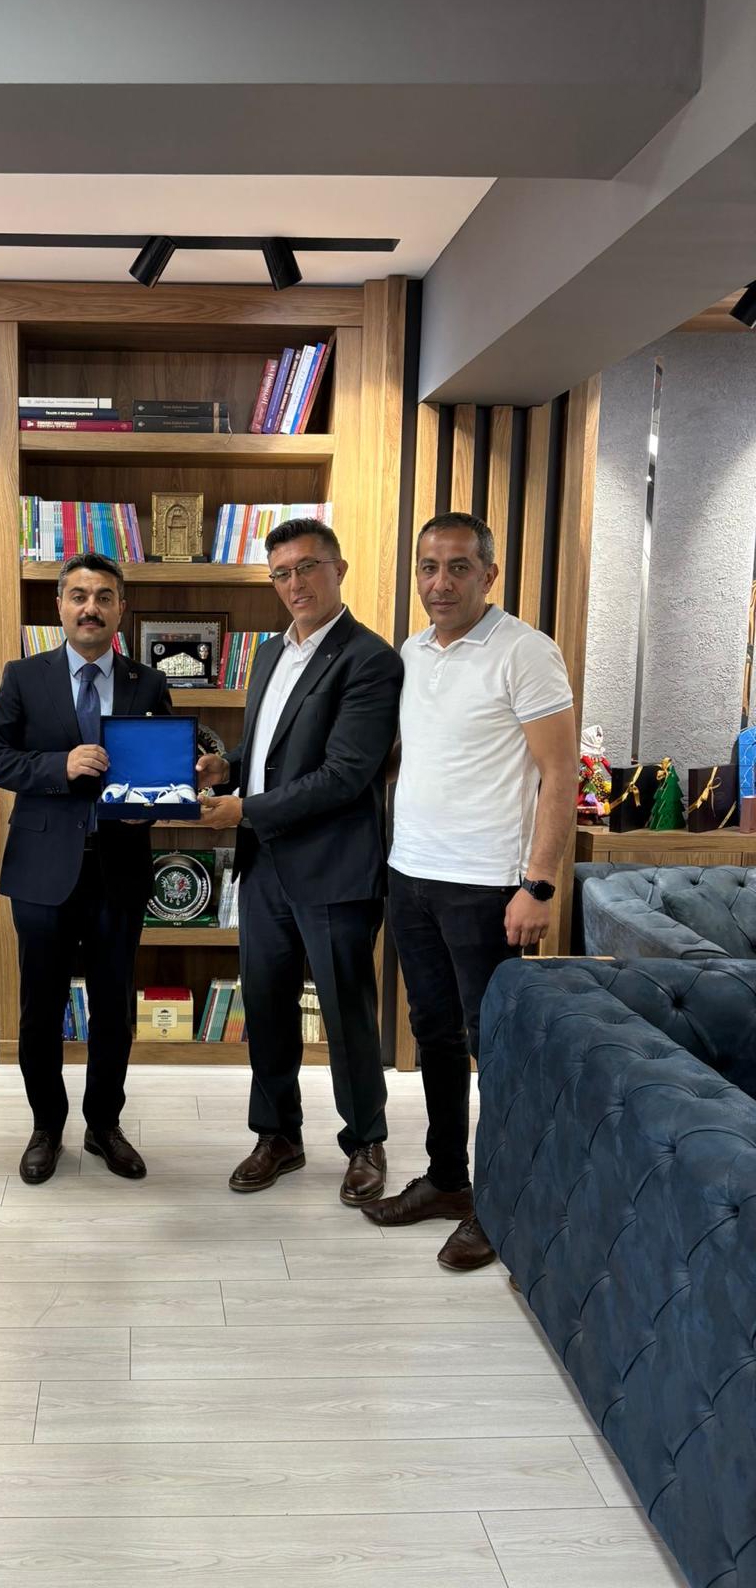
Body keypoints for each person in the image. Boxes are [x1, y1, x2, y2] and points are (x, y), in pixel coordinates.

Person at [362, 512, 578, 1269]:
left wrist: (538, 885)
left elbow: (561, 774)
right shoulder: (413, 651)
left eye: (458, 567)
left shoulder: (526, 650)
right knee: (434, 1037)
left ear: (489, 574)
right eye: (429, 567)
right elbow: (412, 756)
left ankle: (501, 1202)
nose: (440, 582)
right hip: (411, 875)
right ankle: (450, 1181)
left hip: (488, 886)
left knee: (498, 1047)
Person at [197, 517, 403, 1201]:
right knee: (266, 1006)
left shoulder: (369, 660)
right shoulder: (267, 654)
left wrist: (244, 810)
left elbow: (345, 775)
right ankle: (278, 1135)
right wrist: (225, 767)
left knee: (345, 1013)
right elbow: (271, 751)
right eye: (282, 573)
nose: (295, 583)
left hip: (333, 867)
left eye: (308, 567)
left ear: (338, 569)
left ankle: (365, 1140)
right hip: (263, 867)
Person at [0, 552, 172, 1185]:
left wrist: (156, 804)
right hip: (42, 869)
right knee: (41, 1009)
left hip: (119, 867)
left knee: (114, 1008)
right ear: (59, 605)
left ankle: (104, 1125)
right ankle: (46, 1127)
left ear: (121, 609)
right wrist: (56, 767)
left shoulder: (148, 682)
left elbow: (163, 768)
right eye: (80, 596)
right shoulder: (23, 676)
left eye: (104, 597)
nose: (91, 608)